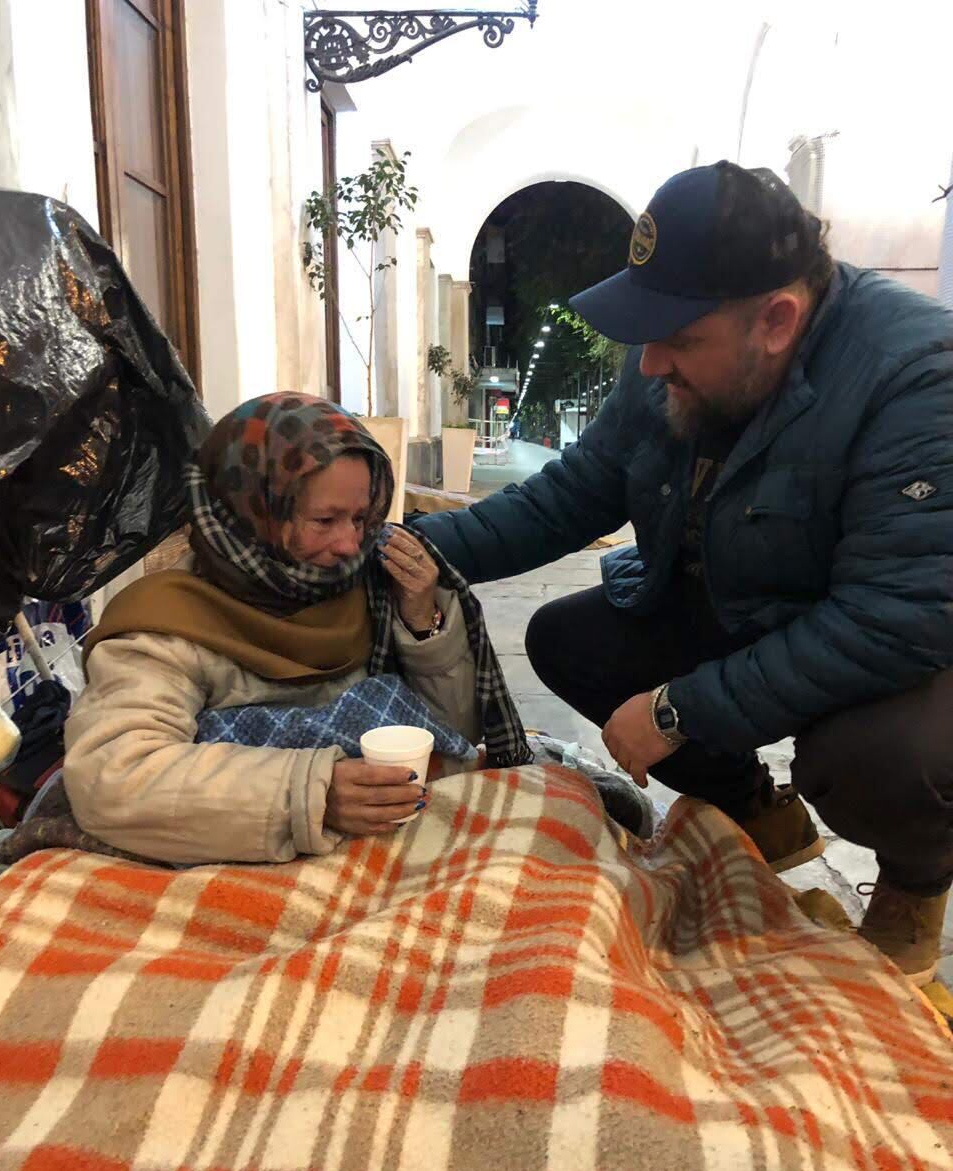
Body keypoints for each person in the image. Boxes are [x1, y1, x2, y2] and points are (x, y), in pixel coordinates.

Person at [416, 161, 953, 987]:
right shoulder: (666, 360)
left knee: (884, 759)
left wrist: (680, 708)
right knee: (570, 638)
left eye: (680, 340)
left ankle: (916, 881)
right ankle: (753, 817)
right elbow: (569, 496)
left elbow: (899, 617)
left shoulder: (917, 374)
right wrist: (414, 549)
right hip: (743, 598)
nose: (650, 364)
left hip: (882, 648)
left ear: (777, 320)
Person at [64, 393, 528, 865]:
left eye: (362, 517)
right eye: (324, 520)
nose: (351, 543)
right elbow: (113, 778)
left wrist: (422, 623)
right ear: (253, 511)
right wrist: (311, 794)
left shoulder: (373, 582)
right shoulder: (163, 624)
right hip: (232, 862)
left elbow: (451, 736)